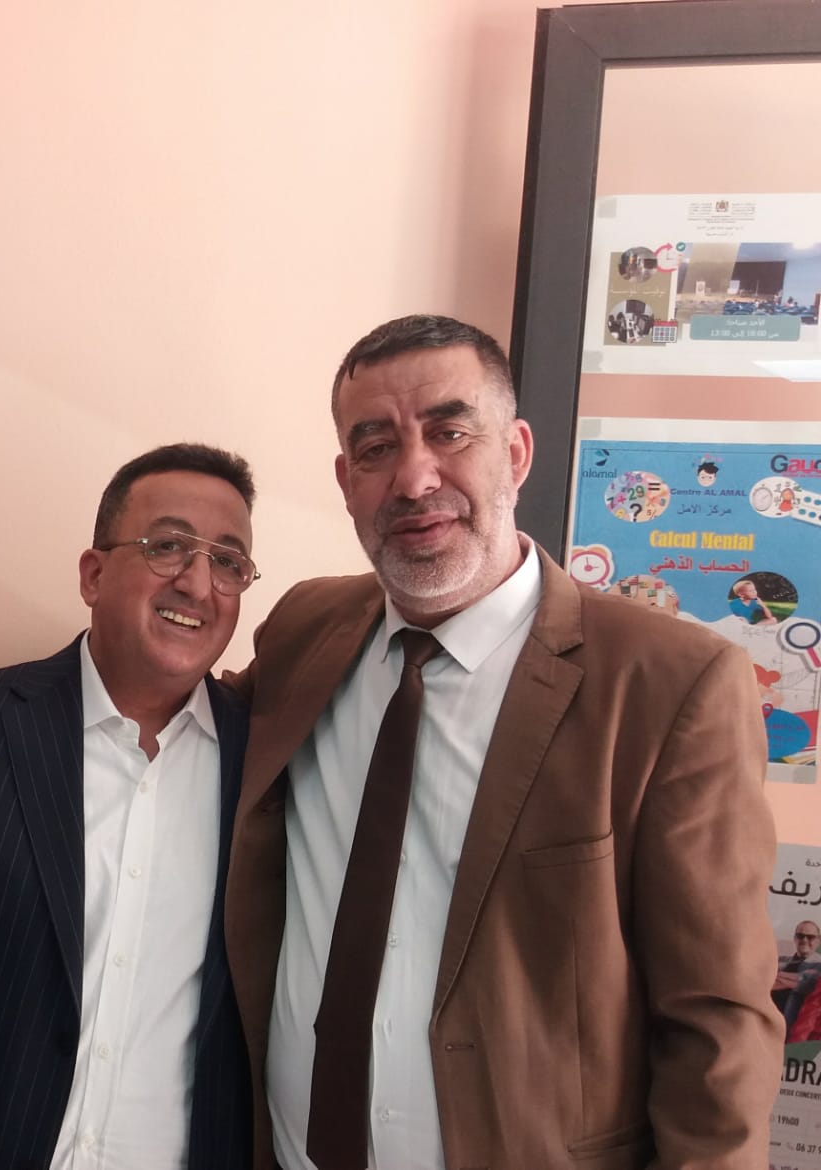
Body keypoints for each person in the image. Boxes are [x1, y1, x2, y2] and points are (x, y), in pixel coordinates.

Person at [224, 314, 781, 1170]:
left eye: (450, 433)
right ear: (346, 481)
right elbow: (190, 739)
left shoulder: (671, 684)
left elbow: (719, 1020)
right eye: (376, 448)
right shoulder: (304, 629)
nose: (414, 478)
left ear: (516, 454)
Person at [0, 444, 258, 1170]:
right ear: (93, 574)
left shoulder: (265, 765)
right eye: (168, 546)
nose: (197, 583)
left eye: (228, 561)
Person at [773, 920, 821, 1014]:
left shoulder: (819, 965)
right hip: (770, 1018)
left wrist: (774, 975)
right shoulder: (780, 960)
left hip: (796, 1021)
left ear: (818, 940)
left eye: (810, 937)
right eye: (800, 936)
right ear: (795, 938)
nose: (804, 940)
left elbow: (805, 983)